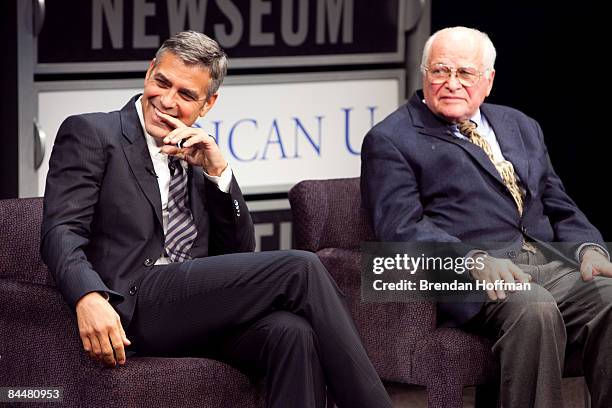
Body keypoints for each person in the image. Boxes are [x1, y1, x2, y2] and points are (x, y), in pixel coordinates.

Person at [41, 30, 391, 408]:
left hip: (193, 310)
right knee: (301, 268)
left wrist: (218, 173)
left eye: (187, 95)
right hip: (133, 302)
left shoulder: (196, 152)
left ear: (208, 104)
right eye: (162, 83)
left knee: (292, 333)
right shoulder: (94, 132)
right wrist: (87, 296)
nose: (168, 101)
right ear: (148, 73)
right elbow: (61, 230)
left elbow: (238, 253)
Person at [361, 26, 612, 408]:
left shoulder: (520, 125)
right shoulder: (391, 139)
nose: (451, 83)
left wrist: (590, 250)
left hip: (546, 263)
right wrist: (472, 260)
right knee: (534, 308)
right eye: (440, 71)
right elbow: (400, 228)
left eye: (465, 73)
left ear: (488, 80)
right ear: (423, 73)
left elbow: (559, 204)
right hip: (470, 272)